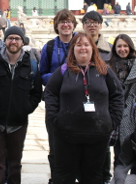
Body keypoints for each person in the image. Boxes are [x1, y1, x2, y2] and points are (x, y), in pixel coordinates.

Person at [45, 33, 124, 184]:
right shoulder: (63, 71)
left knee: (93, 176)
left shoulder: (104, 71)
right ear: (73, 49)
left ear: (92, 48)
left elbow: (118, 95)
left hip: (97, 136)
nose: (83, 48)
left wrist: (112, 121)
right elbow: (50, 93)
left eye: (86, 45)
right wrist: (56, 118)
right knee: (63, 176)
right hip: (67, 136)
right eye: (79, 45)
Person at [0, 26, 43, 184]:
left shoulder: (31, 65)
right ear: (5, 40)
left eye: (17, 38)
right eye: (10, 38)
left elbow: (36, 93)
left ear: (22, 41)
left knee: (15, 163)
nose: (13, 41)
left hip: (18, 122)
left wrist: (25, 109)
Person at [39, 9, 77, 183]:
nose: (65, 24)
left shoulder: (82, 44)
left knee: (77, 143)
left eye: (68, 21)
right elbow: (42, 74)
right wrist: (59, 76)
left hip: (76, 101)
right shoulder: (49, 47)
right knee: (55, 145)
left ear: (74, 24)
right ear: (56, 25)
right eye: (62, 21)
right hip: (55, 102)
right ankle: (56, 178)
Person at [108, 34, 136, 157]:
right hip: (116, 112)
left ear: (130, 47)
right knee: (119, 154)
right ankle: (119, 176)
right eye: (119, 46)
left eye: (125, 46)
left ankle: (134, 176)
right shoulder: (109, 67)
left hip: (134, 112)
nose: (122, 49)